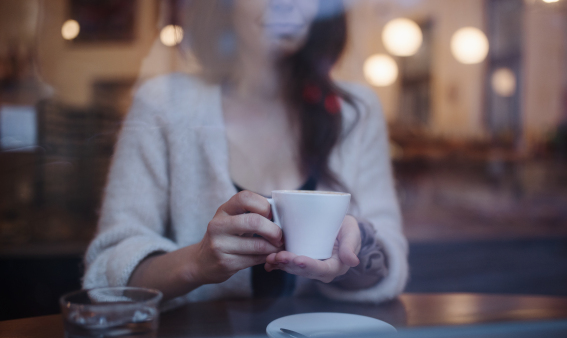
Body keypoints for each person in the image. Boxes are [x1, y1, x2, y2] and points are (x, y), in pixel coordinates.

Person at [83, 0, 408, 306]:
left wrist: (359, 248)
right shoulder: (163, 105)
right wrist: (195, 264)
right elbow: (108, 269)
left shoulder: (356, 111)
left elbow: (390, 258)